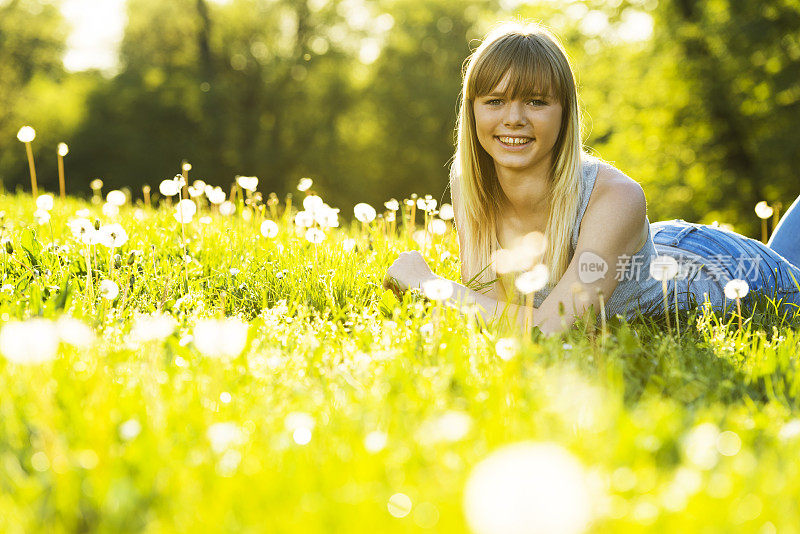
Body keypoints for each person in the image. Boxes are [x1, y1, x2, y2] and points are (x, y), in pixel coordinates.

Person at [383, 21, 800, 335]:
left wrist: (428, 284)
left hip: (729, 270)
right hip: (654, 249)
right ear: (472, 109)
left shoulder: (617, 196)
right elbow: (498, 310)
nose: (514, 118)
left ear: (565, 112)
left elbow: (548, 330)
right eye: (495, 100)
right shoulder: (470, 184)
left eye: (536, 101)